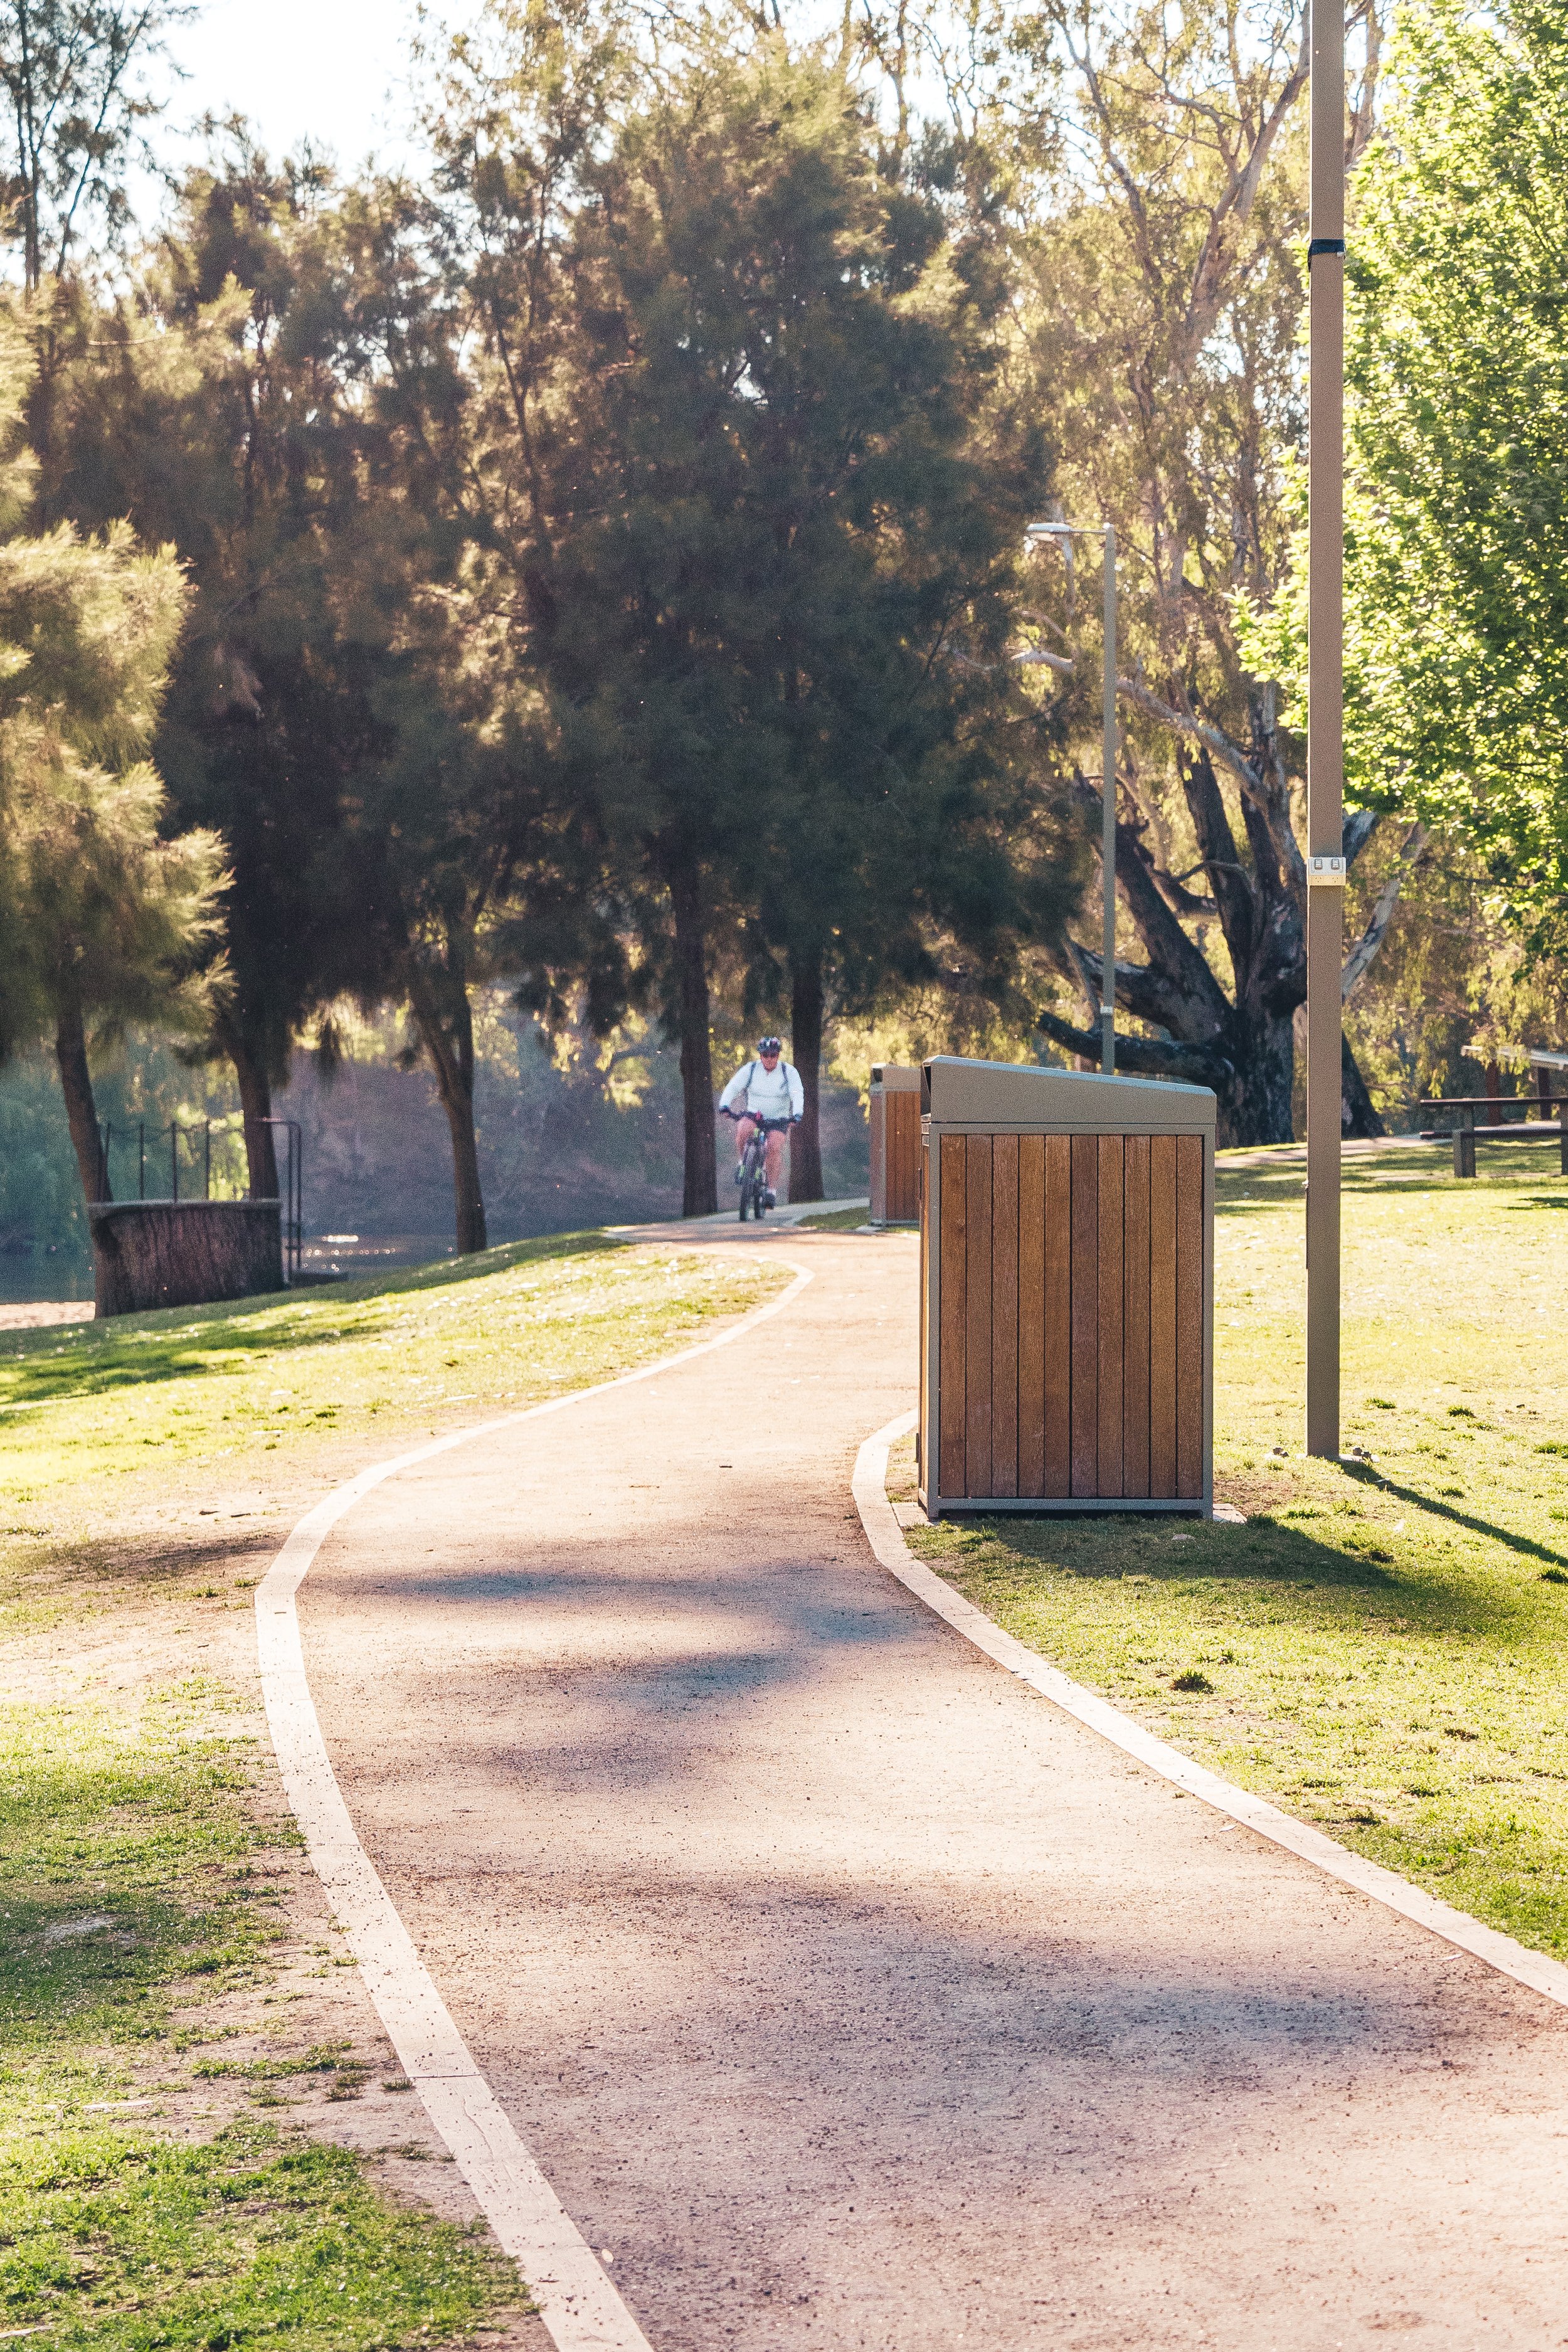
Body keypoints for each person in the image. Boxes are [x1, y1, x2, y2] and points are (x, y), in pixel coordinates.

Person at [719, 1037, 803, 1207]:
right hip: (755, 1115)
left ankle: (771, 1191)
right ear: (760, 1055)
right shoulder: (751, 1069)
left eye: (773, 1055)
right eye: (765, 1055)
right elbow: (734, 1086)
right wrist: (724, 1105)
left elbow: (797, 1092)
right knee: (743, 1128)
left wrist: (797, 1114)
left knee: (774, 1146)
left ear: (778, 1055)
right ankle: (743, 1163)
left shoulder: (789, 1072)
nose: (769, 1058)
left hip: (778, 1119)